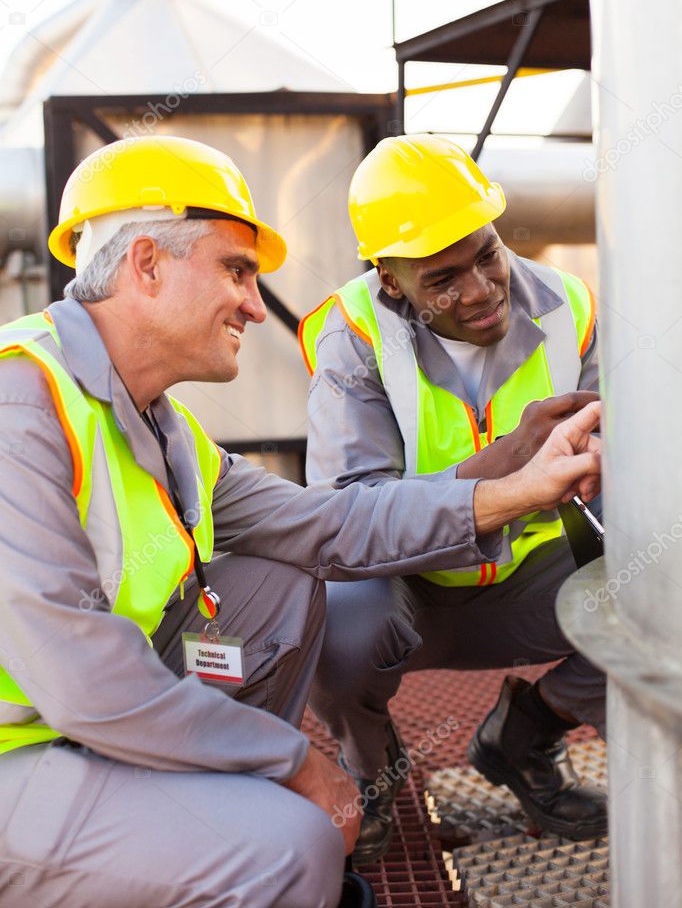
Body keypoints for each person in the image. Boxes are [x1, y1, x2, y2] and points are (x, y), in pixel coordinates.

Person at [0, 135, 601, 908]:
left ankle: (215, 825)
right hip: (27, 743)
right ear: (146, 265)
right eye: (236, 270)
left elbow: (331, 524)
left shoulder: (164, 427)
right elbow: (83, 674)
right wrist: (292, 763)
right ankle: (256, 849)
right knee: (293, 844)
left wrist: (518, 487)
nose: (255, 303)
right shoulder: (22, 404)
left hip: (83, 715)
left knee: (279, 583)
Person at [299, 133, 607, 864]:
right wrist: (505, 469)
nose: (478, 290)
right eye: (442, 279)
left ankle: (525, 729)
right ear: (391, 280)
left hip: (536, 584)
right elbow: (348, 516)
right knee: (330, 619)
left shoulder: (569, 306)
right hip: (408, 597)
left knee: (664, 594)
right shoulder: (355, 337)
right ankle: (371, 776)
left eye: (487, 254)